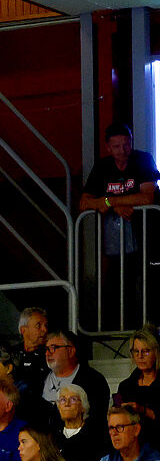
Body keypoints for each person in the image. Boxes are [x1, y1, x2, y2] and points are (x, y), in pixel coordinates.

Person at [80, 123, 158, 328]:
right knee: (120, 285)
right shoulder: (102, 167)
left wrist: (109, 202)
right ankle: (125, 330)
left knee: (152, 283)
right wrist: (116, 206)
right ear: (108, 147)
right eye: (117, 146)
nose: (123, 150)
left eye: (126, 144)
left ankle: (153, 327)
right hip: (118, 243)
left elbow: (148, 197)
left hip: (148, 237)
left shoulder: (143, 159)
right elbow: (84, 202)